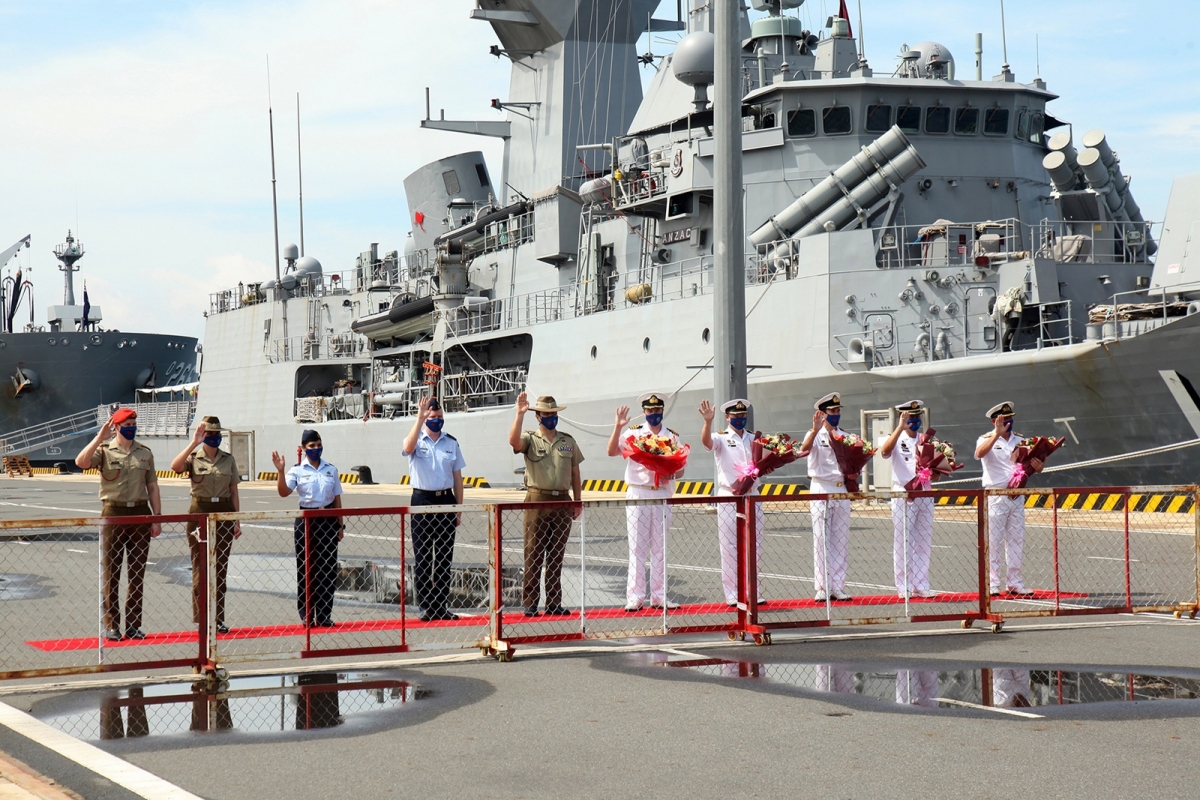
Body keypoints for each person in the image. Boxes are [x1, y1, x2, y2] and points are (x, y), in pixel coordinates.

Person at [74, 407, 163, 641]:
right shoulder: (104, 451)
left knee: (137, 573)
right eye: (127, 425)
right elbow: (81, 462)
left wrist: (157, 517)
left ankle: (133, 624)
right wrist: (98, 438)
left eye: (134, 425)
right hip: (113, 513)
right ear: (116, 427)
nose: (132, 429)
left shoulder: (145, 453)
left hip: (140, 514)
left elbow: (152, 486)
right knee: (111, 572)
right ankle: (112, 625)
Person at [508, 392, 583, 617]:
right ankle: (530, 603)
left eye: (553, 414)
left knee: (556, 554)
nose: (551, 418)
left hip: (562, 501)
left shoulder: (567, 441)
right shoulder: (530, 438)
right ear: (538, 417)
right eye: (546, 414)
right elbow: (513, 442)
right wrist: (519, 414)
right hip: (537, 501)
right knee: (533, 553)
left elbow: (575, 472)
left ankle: (553, 603)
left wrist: (577, 501)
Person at [607, 392, 681, 612]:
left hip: (662, 493)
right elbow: (611, 451)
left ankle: (659, 596)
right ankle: (635, 596)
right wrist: (618, 427)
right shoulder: (633, 433)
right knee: (637, 548)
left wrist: (672, 473)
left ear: (662, 411)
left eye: (657, 410)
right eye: (650, 411)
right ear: (644, 412)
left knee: (660, 548)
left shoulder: (672, 436)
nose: (654, 414)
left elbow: (681, 466)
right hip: (639, 492)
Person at [170, 416, 241, 634]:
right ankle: (202, 618)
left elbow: (234, 491)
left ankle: (218, 618)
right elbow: (176, 467)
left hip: (223, 512)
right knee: (200, 567)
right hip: (199, 512)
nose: (214, 437)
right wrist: (194, 442)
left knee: (220, 568)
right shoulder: (193, 457)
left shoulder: (228, 460)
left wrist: (237, 520)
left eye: (216, 434)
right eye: (210, 434)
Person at [402, 395, 465, 622]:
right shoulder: (416, 440)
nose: (436, 420)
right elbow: (407, 448)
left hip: (446, 500)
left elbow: (458, 478)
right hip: (422, 501)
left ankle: (441, 606)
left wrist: (458, 508)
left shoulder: (451, 442)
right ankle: (426, 606)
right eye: (433, 417)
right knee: (424, 557)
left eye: (439, 416)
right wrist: (419, 419)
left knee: (444, 558)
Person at [272, 430, 344, 627]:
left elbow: (337, 498)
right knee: (306, 568)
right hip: (306, 522)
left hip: (328, 520)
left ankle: (324, 614)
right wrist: (280, 471)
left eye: (318, 444)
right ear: (303, 448)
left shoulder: (331, 469)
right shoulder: (297, 471)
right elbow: (284, 492)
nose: (316, 449)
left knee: (328, 569)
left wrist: (340, 525)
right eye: (311, 446)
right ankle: (307, 614)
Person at [699, 398, 764, 607]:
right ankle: (732, 592)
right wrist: (707, 422)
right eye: (736, 416)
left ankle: (752, 591)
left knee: (754, 544)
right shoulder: (720, 437)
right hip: (729, 496)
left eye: (743, 415)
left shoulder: (754, 438)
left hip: (752, 495)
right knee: (728, 546)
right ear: (727, 417)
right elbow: (707, 443)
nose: (740, 419)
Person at [974, 401, 1042, 597]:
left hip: (1016, 495)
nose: (1009, 423)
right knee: (993, 541)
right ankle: (992, 583)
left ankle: (1014, 581)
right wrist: (996, 434)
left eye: (1010, 419)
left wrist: (1038, 468)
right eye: (1005, 420)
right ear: (995, 421)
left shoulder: (1020, 440)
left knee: (1016, 540)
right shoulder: (985, 439)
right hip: (996, 494)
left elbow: (1028, 463)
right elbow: (979, 454)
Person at [798, 392, 854, 601]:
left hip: (841, 489)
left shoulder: (846, 436)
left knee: (840, 539)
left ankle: (837, 586)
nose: (836, 415)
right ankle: (822, 586)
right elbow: (802, 451)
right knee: (821, 538)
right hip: (821, 487)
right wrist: (814, 430)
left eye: (838, 411)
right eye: (832, 411)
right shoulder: (814, 434)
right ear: (822, 414)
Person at [880, 399, 936, 599]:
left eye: (917, 416)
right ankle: (903, 584)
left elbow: (935, 471)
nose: (915, 419)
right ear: (903, 417)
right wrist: (899, 428)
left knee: (923, 540)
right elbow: (885, 452)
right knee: (903, 540)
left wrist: (937, 470)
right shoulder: (895, 438)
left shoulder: (925, 440)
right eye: (911, 416)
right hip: (903, 493)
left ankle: (920, 583)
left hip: (925, 492)